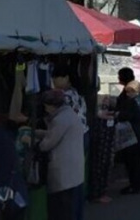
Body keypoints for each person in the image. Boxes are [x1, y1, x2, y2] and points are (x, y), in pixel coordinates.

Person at [36, 90, 85, 220]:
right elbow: (57, 135)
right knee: (70, 209)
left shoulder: (59, 120)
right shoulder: (70, 114)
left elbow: (46, 145)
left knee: (60, 211)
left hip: (63, 175)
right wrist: (41, 133)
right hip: (74, 172)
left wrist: (34, 140)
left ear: (51, 105)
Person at [51, 67, 88, 220]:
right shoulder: (77, 93)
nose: (53, 82)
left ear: (66, 77)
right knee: (78, 179)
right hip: (83, 135)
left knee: (69, 183)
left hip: (71, 138)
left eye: (56, 78)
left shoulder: (64, 96)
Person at [117, 81, 140, 195]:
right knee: (135, 163)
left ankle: (134, 186)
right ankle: (135, 185)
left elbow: (131, 115)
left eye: (128, 91)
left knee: (132, 163)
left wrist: (119, 115)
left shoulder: (134, 102)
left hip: (134, 135)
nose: (127, 94)